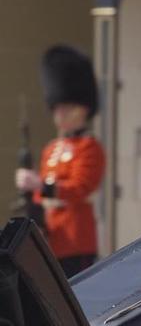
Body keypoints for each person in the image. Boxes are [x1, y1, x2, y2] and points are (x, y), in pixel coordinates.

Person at [15, 46, 105, 277]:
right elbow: (39, 197)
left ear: (83, 110)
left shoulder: (90, 147)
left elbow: (80, 188)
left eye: (67, 109)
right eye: (58, 109)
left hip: (76, 240)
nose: (60, 115)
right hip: (50, 240)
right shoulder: (51, 149)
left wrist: (40, 185)